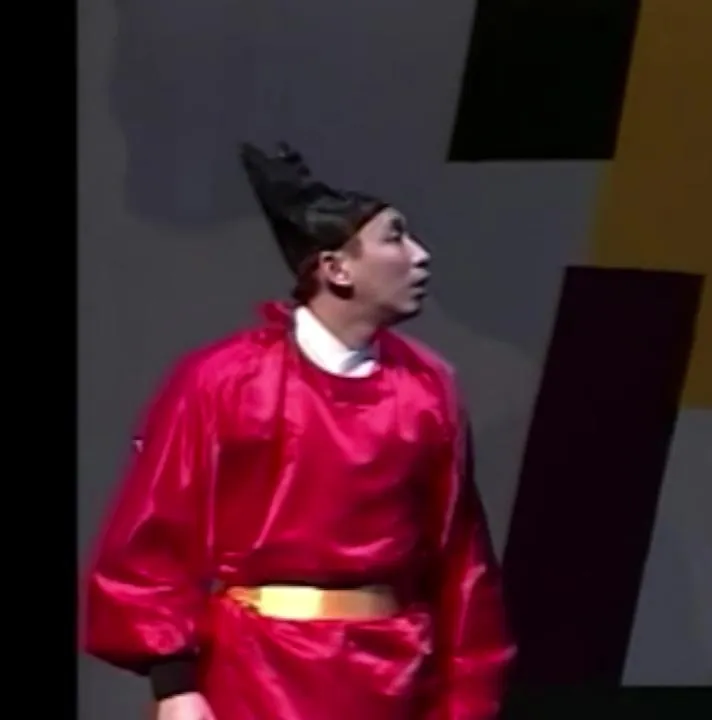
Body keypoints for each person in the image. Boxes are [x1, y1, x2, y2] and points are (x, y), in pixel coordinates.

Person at [83, 142, 515, 720]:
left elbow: (460, 559)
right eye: (395, 238)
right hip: (255, 675)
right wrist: (176, 686)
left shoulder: (427, 387)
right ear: (335, 268)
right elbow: (153, 534)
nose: (420, 256)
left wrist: (466, 699)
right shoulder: (224, 380)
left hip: (392, 679)